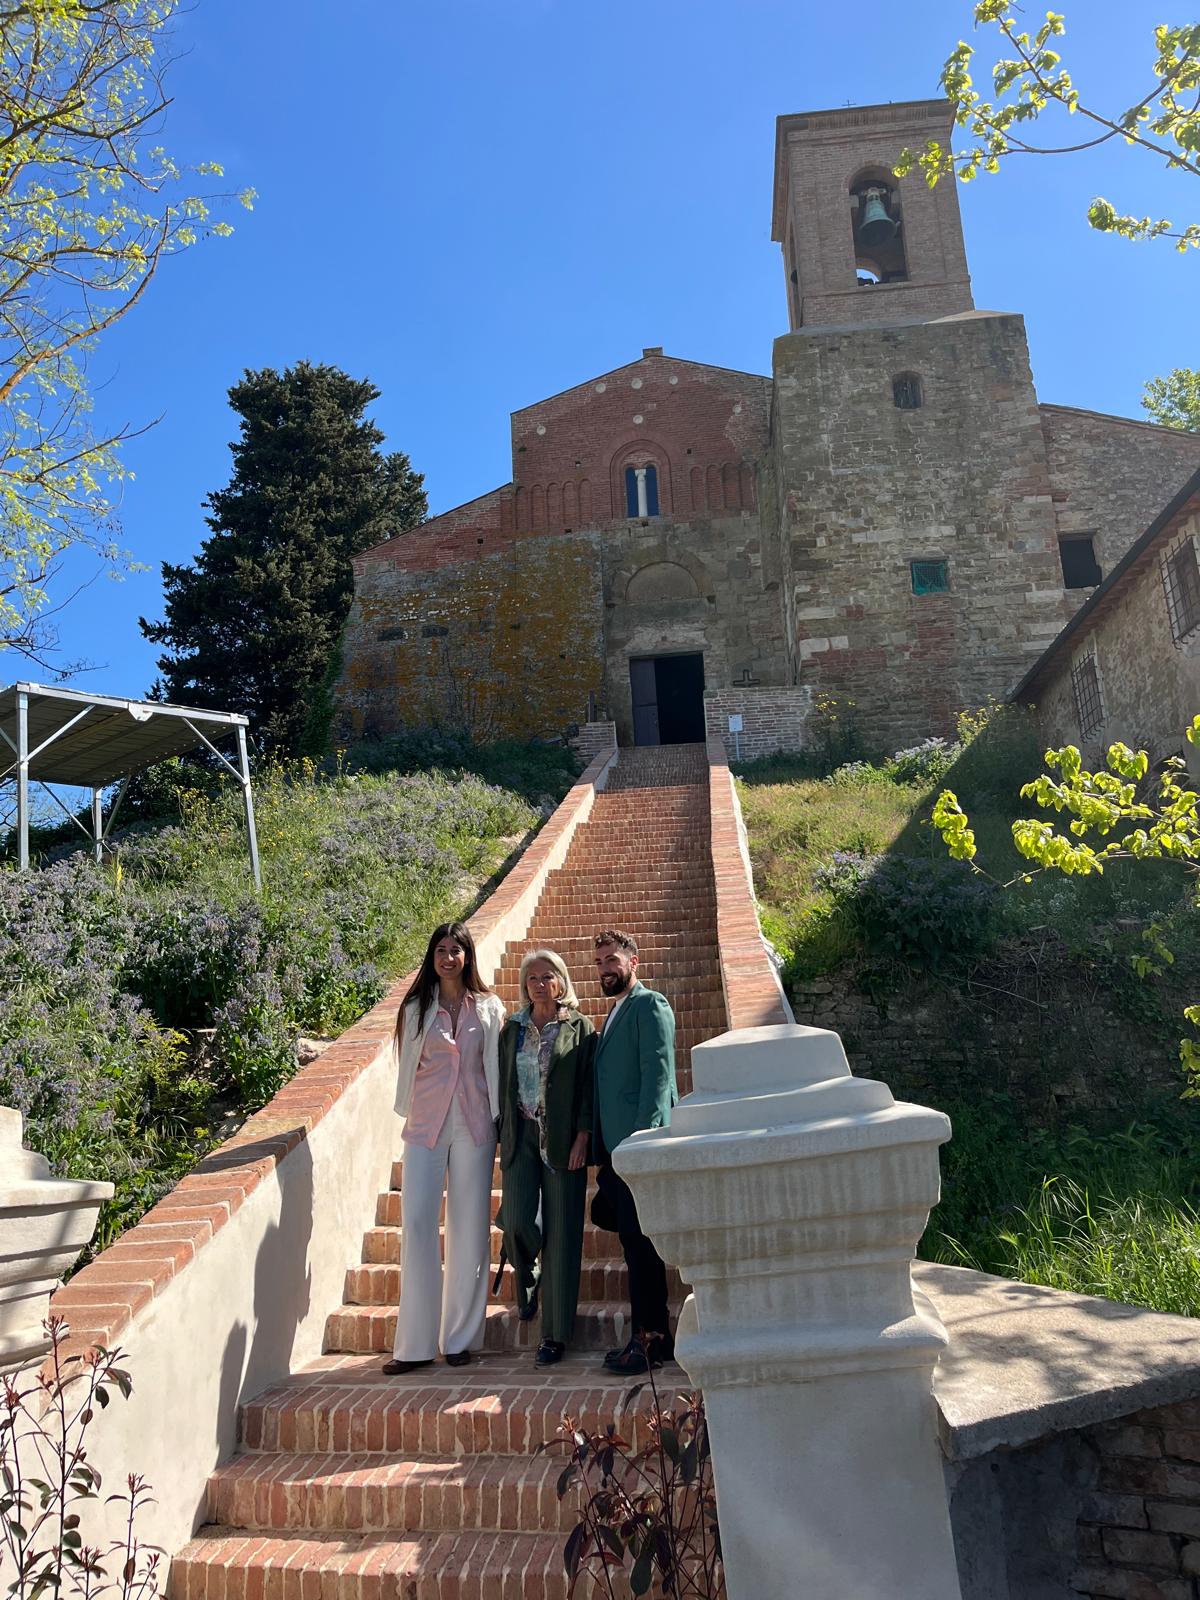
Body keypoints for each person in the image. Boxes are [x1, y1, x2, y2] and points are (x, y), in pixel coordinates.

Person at [383, 921, 505, 1375]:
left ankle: (459, 1339)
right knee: (417, 1224)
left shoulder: (489, 1007)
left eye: (456, 950)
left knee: (469, 1228)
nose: (448, 957)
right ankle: (413, 1346)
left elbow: (494, 1064)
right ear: (432, 957)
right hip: (426, 1125)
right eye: (441, 950)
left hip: (475, 1123)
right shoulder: (416, 1008)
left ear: (468, 956)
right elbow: (408, 1067)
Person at [496, 948, 595, 1366]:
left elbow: (588, 1086)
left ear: (561, 981)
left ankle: (554, 1334)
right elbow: (501, 1084)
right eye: (533, 977)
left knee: (562, 1234)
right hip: (520, 1137)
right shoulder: (512, 1028)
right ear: (524, 984)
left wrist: (583, 1136)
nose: (540, 984)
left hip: (563, 1141)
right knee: (516, 1219)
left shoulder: (580, 1027)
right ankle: (528, 1277)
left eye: (548, 976)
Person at [591, 928, 678, 1373]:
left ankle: (648, 1343)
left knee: (640, 1246)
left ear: (633, 962)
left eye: (612, 960)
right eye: (599, 962)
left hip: (637, 1146)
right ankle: (653, 1340)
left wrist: (644, 1139)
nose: (605, 969)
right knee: (632, 1242)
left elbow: (658, 1074)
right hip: (615, 1149)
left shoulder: (649, 1004)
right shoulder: (615, 1012)